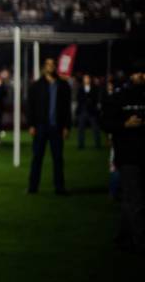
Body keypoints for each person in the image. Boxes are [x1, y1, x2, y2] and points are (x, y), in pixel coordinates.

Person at [101, 72, 145, 254]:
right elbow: (105, 123)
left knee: (130, 199)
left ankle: (123, 237)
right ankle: (141, 242)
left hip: (136, 154)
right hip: (127, 156)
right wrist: (125, 124)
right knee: (136, 200)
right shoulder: (117, 99)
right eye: (137, 73)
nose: (141, 76)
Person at [27, 57, 71, 195]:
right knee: (37, 158)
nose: (50, 66)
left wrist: (66, 127)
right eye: (48, 64)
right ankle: (33, 188)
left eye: (52, 64)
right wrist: (31, 125)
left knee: (58, 159)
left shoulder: (63, 85)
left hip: (57, 127)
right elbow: (30, 107)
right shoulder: (36, 85)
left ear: (55, 66)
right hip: (40, 127)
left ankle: (60, 188)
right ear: (44, 67)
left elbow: (66, 108)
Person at [76, 73, 103, 149]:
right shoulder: (80, 88)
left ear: (90, 79)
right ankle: (81, 145)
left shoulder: (94, 88)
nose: (86, 79)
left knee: (95, 128)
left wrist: (90, 101)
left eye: (88, 78)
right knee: (81, 129)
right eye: (85, 78)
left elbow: (96, 98)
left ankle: (98, 144)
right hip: (82, 110)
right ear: (83, 80)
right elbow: (79, 98)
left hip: (92, 111)